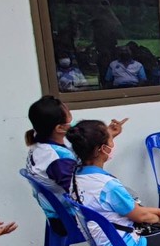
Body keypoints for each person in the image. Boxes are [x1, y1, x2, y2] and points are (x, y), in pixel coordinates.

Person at [23, 95, 128, 225]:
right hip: (70, 218)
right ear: (59, 128)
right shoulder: (57, 160)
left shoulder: (40, 145)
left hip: (57, 213)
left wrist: (105, 136)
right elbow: (82, 191)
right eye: (69, 117)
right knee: (128, 209)